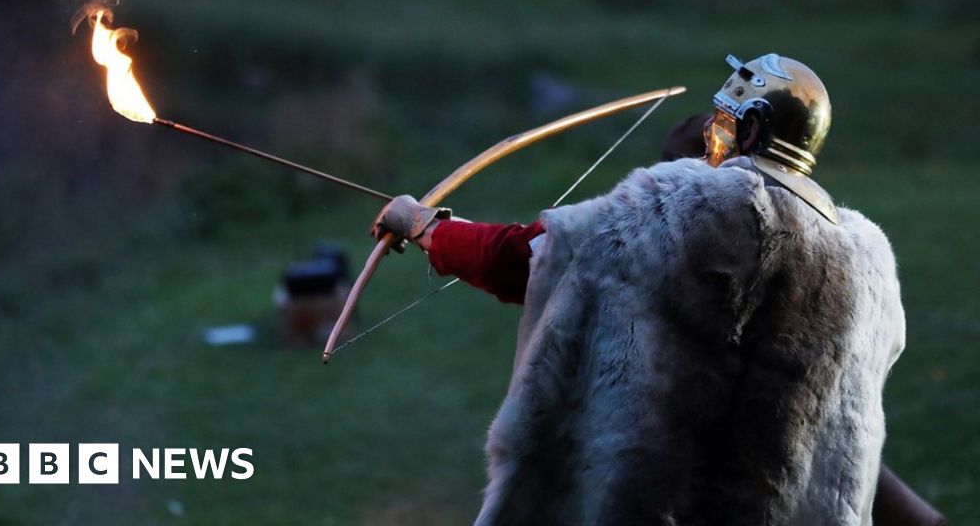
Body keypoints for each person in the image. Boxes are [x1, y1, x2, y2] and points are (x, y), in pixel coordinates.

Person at [371, 54, 945, 525]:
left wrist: (425, 227)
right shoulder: (870, 260)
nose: (712, 140)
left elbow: (527, 257)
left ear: (751, 128)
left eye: (724, 123)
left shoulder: (680, 204)